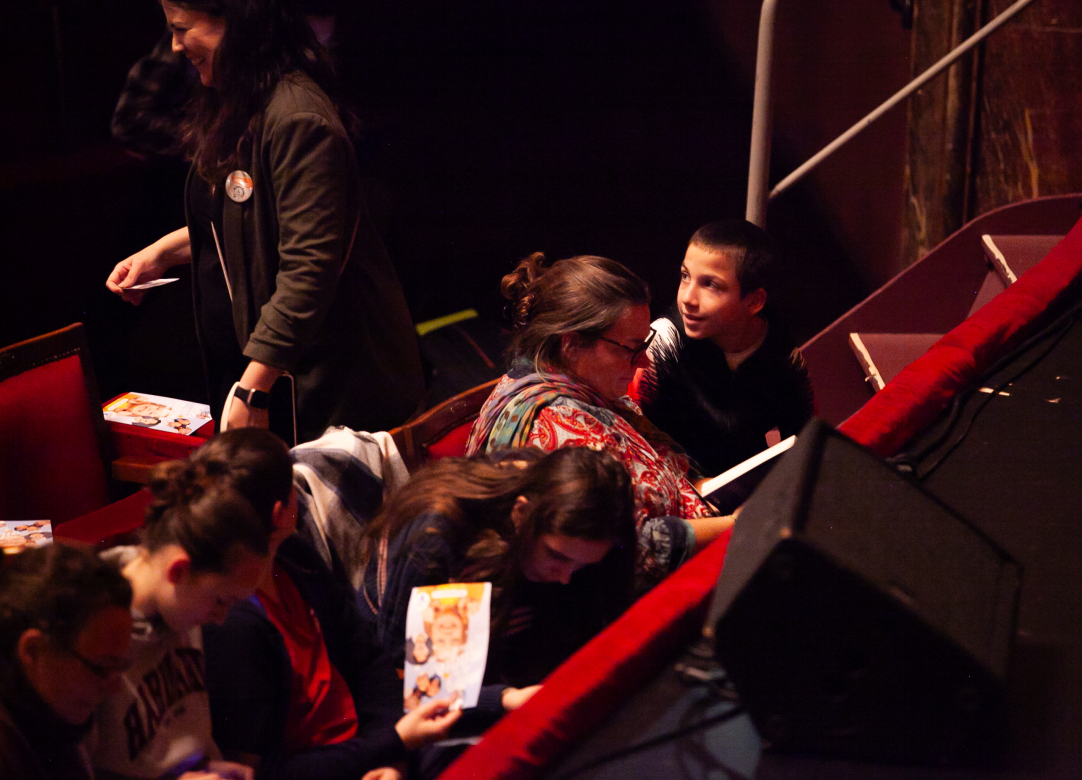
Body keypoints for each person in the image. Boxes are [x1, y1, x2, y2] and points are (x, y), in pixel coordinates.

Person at [106, 0, 424, 443]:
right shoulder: (240, 104)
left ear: (236, 23)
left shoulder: (298, 118)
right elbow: (248, 222)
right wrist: (161, 252)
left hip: (329, 389)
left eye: (182, 29)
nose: (176, 47)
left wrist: (255, 386)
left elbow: (309, 266)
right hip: (274, 376)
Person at [197, 429, 460, 780]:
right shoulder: (233, 622)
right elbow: (262, 773)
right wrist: (391, 744)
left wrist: (391, 758)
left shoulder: (294, 555)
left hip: (375, 749)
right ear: (280, 511)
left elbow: (365, 656)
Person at [465, 253, 735, 586]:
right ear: (572, 343)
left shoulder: (569, 382)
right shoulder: (560, 431)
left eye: (645, 344)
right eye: (630, 348)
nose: (645, 362)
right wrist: (737, 525)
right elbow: (633, 551)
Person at [360, 447, 637, 719]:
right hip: (408, 685)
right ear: (521, 512)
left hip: (506, 664)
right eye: (556, 556)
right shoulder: (439, 536)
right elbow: (414, 686)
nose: (565, 578)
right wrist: (505, 699)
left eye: (581, 566)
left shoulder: (555, 495)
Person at [89, 447, 273, 779]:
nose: (221, 618)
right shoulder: (89, 631)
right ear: (178, 571)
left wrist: (214, 768)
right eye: (221, 600)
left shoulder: (179, 607)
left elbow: (186, 738)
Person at [635, 219, 815, 476]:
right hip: (673, 483)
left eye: (710, 285)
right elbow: (627, 434)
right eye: (685, 276)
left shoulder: (784, 356)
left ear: (754, 302)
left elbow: (804, 443)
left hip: (742, 493)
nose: (687, 298)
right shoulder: (662, 343)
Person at [0, 543, 133, 780]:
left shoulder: (51, 714)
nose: (115, 688)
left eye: (119, 668)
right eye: (101, 668)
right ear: (32, 650)